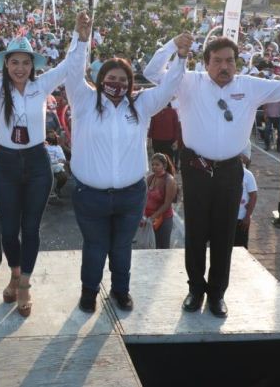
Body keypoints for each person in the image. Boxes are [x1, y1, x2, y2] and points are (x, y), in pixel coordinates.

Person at [145, 36, 280, 318]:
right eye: (217, 61)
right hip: (196, 168)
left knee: (225, 233)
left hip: (230, 170)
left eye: (229, 61)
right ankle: (195, 290)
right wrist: (173, 46)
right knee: (195, 232)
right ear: (206, 63)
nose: (224, 66)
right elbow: (151, 72)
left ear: (237, 63)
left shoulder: (249, 86)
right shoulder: (186, 81)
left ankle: (217, 294)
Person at [0, 14, 88, 317]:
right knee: (8, 230)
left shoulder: (41, 86)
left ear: (33, 66)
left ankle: (25, 284)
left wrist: (80, 37)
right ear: (6, 64)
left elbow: (69, 65)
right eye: (15, 62)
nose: (20, 68)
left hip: (37, 164)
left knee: (30, 228)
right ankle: (15, 274)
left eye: (25, 63)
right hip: (5, 163)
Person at [66, 16, 190, 313]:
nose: (117, 84)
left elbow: (170, 85)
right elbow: (72, 72)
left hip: (131, 194)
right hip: (90, 195)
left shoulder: (141, 105)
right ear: (100, 80)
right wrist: (80, 40)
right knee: (95, 247)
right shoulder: (83, 101)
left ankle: (121, 291)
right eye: (112, 78)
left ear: (130, 83)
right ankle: (89, 292)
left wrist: (179, 53)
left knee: (122, 247)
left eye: (123, 80)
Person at [141, 153, 178, 250]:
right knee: (149, 249)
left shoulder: (169, 180)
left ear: (164, 166)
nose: (154, 167)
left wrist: (152, 217)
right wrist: (143, 215)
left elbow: (167, 204)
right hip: (149, 220)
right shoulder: (150, 178)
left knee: (162, 250)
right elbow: (143, 198)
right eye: (152, 164)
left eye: (157, 165)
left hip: (163, 220)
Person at [235, 158, 258, 249]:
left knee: (240, 248)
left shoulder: (248, 175)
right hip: (225, 218)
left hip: (240, 219)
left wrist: (247, 216)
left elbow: (253, 196)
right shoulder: (222, 173)